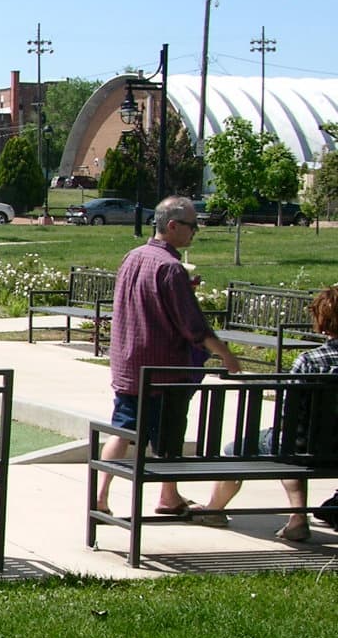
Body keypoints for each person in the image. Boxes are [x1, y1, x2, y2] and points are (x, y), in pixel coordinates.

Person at [93, 197, 243, 516]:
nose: (195, 232)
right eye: (191, 225)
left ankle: (102, 496)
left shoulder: (133, 257)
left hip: (130, 367)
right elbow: (194, 327)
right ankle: (167, 495)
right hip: (164, 372)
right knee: (170, 435)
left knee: (123, 429)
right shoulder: (170, 267)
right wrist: (226, 356)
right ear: (172, 226)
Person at [195, 285, 338, 542]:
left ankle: (215, 510)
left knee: (240, 448)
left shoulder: (309, 362)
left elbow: (290, 413)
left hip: (304, 445)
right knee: (294, 443)